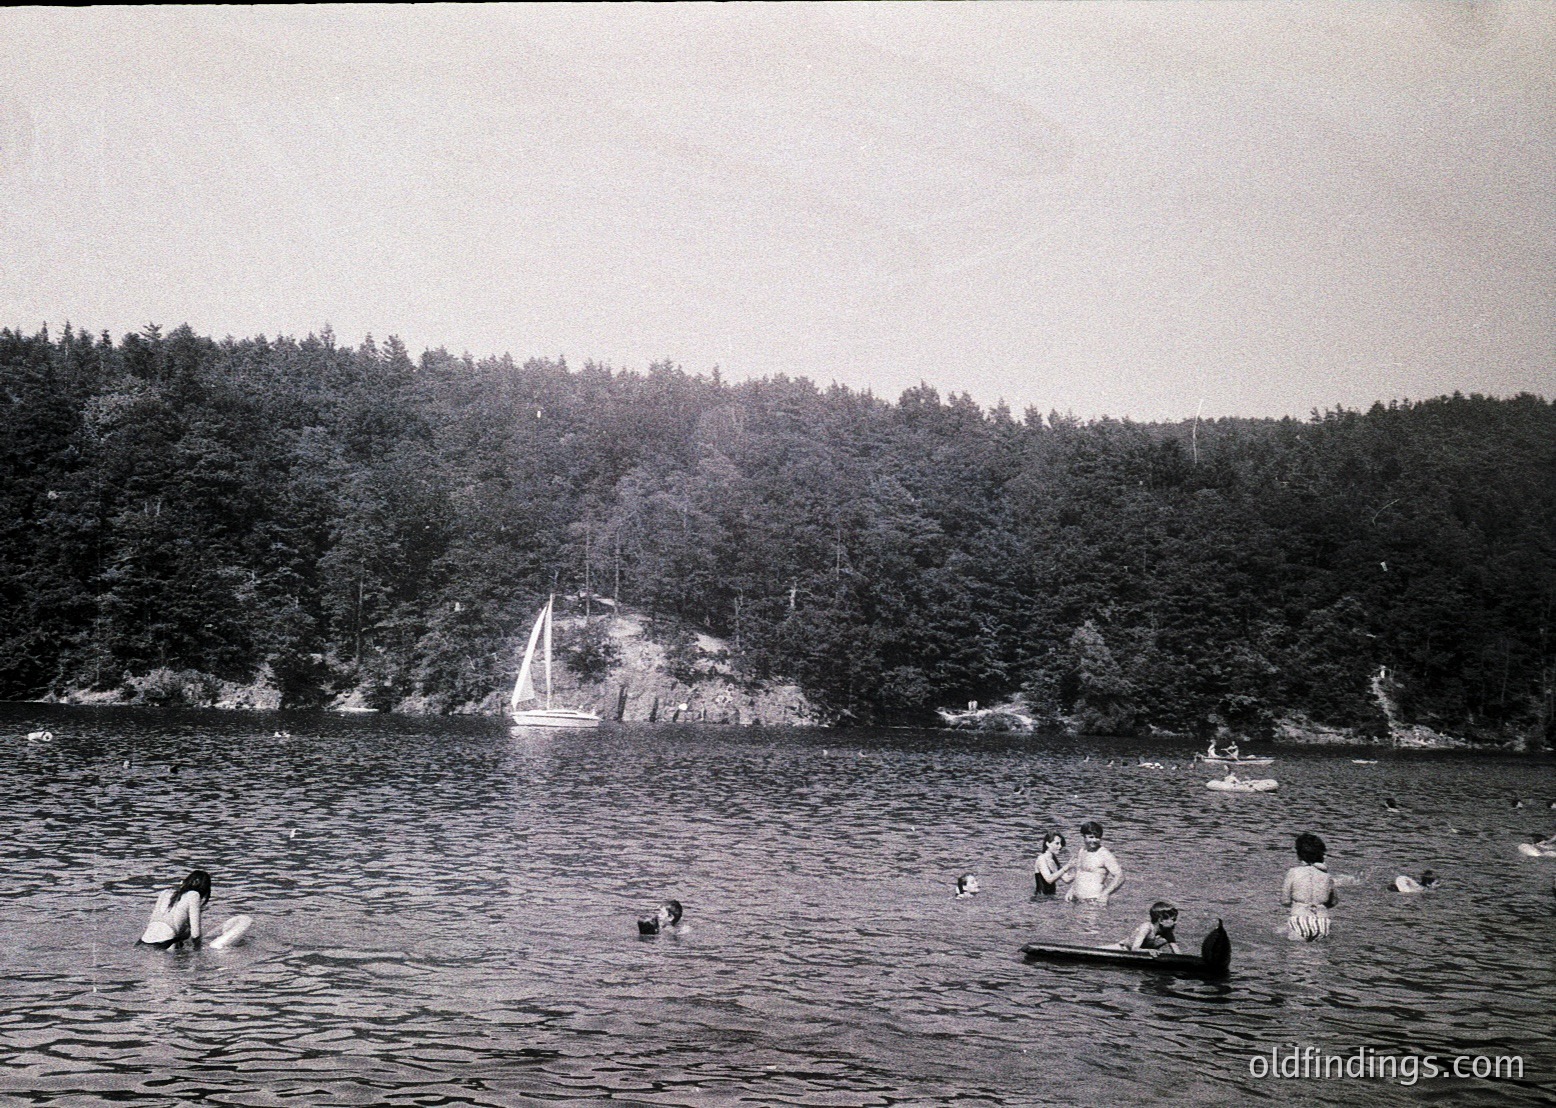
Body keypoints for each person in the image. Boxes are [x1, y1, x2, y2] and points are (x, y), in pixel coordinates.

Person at [1281, 833, 1336, 940]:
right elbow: (1333, 902)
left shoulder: (1293, 872)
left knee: (1296, 953)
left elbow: (1285, 901)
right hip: (1322, 921)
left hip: (1299, 920)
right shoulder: (1327, 876)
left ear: (1299, 855)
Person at [139, 870, 211, 948]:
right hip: (164, 944)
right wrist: (198, 951)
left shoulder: (165, 893)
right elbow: (195, 935)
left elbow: (152, 922)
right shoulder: (194, 895)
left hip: (141, 943)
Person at [1065, 821, 1124, 904]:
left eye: (1098, 837)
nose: (1095, 840)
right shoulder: (1082, 851)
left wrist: (1105, 894)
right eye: (1091, 837)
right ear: (1083, 836)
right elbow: (1079, 873)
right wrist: (1071, 889)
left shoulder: (1104, 854)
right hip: (1076, 900)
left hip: (1094, 901)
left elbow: (1120, 876)